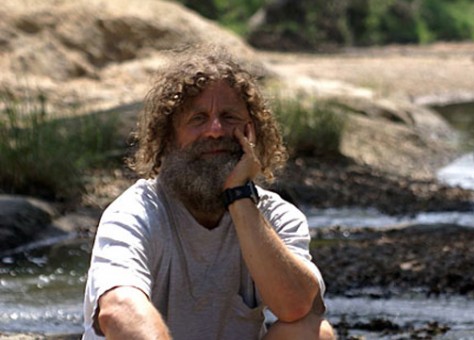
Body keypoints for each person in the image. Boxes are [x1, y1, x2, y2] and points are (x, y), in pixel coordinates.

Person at [82, 44, 335, 339]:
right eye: (198, 118)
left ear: (252, 132)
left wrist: (239, 196)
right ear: (168, 138)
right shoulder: (135, 213)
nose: (215, 130)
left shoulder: (277, 216)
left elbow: (299, 306)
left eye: (229, 117)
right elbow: (119, 310)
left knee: (314, 332)